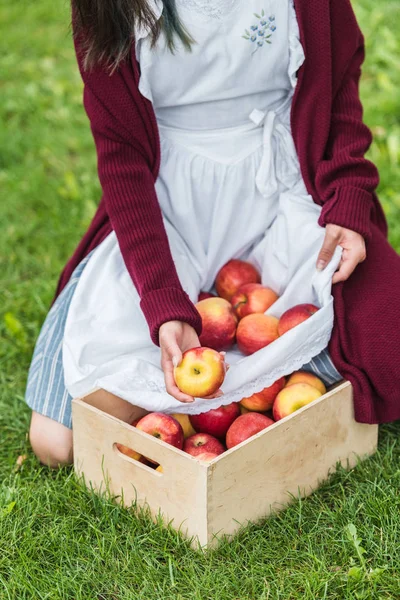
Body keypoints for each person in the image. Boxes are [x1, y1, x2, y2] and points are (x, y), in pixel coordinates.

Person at [26, 0, 400, 468]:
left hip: (283, 188)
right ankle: (291, 373)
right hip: (168, 208)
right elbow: (121, 158)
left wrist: (347, 193)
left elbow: (339, 80)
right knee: (56, 442)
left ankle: (276, 378)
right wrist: (162, 302)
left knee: (389, 343)